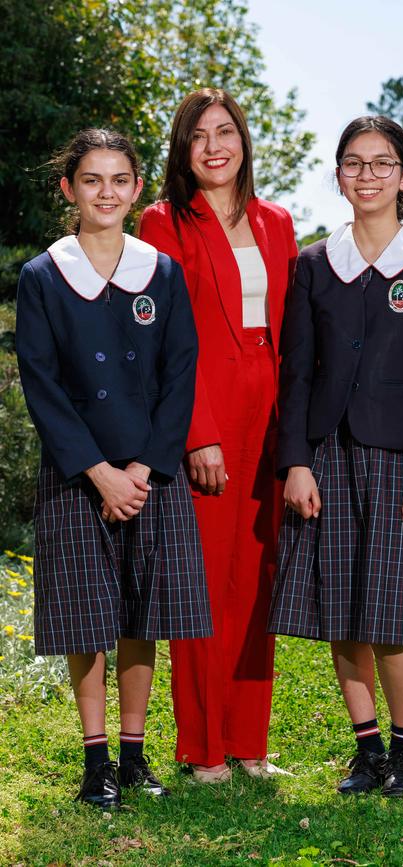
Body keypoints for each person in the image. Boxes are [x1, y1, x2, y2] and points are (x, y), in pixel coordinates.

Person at [15, 129, 212, 809]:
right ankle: (95, 760)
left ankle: (133, 755)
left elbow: (179, 373)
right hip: (78, 473)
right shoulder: (43, 274)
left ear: (135, 188)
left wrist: (143, 467)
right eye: (91, 180)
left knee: (138, 613)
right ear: (70, 189)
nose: (106, 192)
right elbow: (40, 383)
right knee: (86, 618)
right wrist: (99, 471)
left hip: (149, 470)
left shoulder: (161, 271)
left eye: (119, 179)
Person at [268, 116, 403, 796]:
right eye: (354, 163)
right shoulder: (315, 264)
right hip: (326, 455)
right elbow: (295, 371)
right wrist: (295, 459)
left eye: (383, 164)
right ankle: (367, 747)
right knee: (338, 605)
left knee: (390, 612)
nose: (368, 175)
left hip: (397, 459)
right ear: (339, 174)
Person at [139, 88, 297, 782]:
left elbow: (292, 333)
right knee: (202, 580)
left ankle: (249, 740)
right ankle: (202, 746)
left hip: (269, 413)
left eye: (225, 131)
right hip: (203, 410)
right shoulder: (163, 221)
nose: (213, 146)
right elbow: (166, 338)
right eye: (198, 135)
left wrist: (296, 440)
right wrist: (195, 433)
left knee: (258, 579)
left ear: (244, 140)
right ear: (183, 147)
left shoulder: (277, 221)